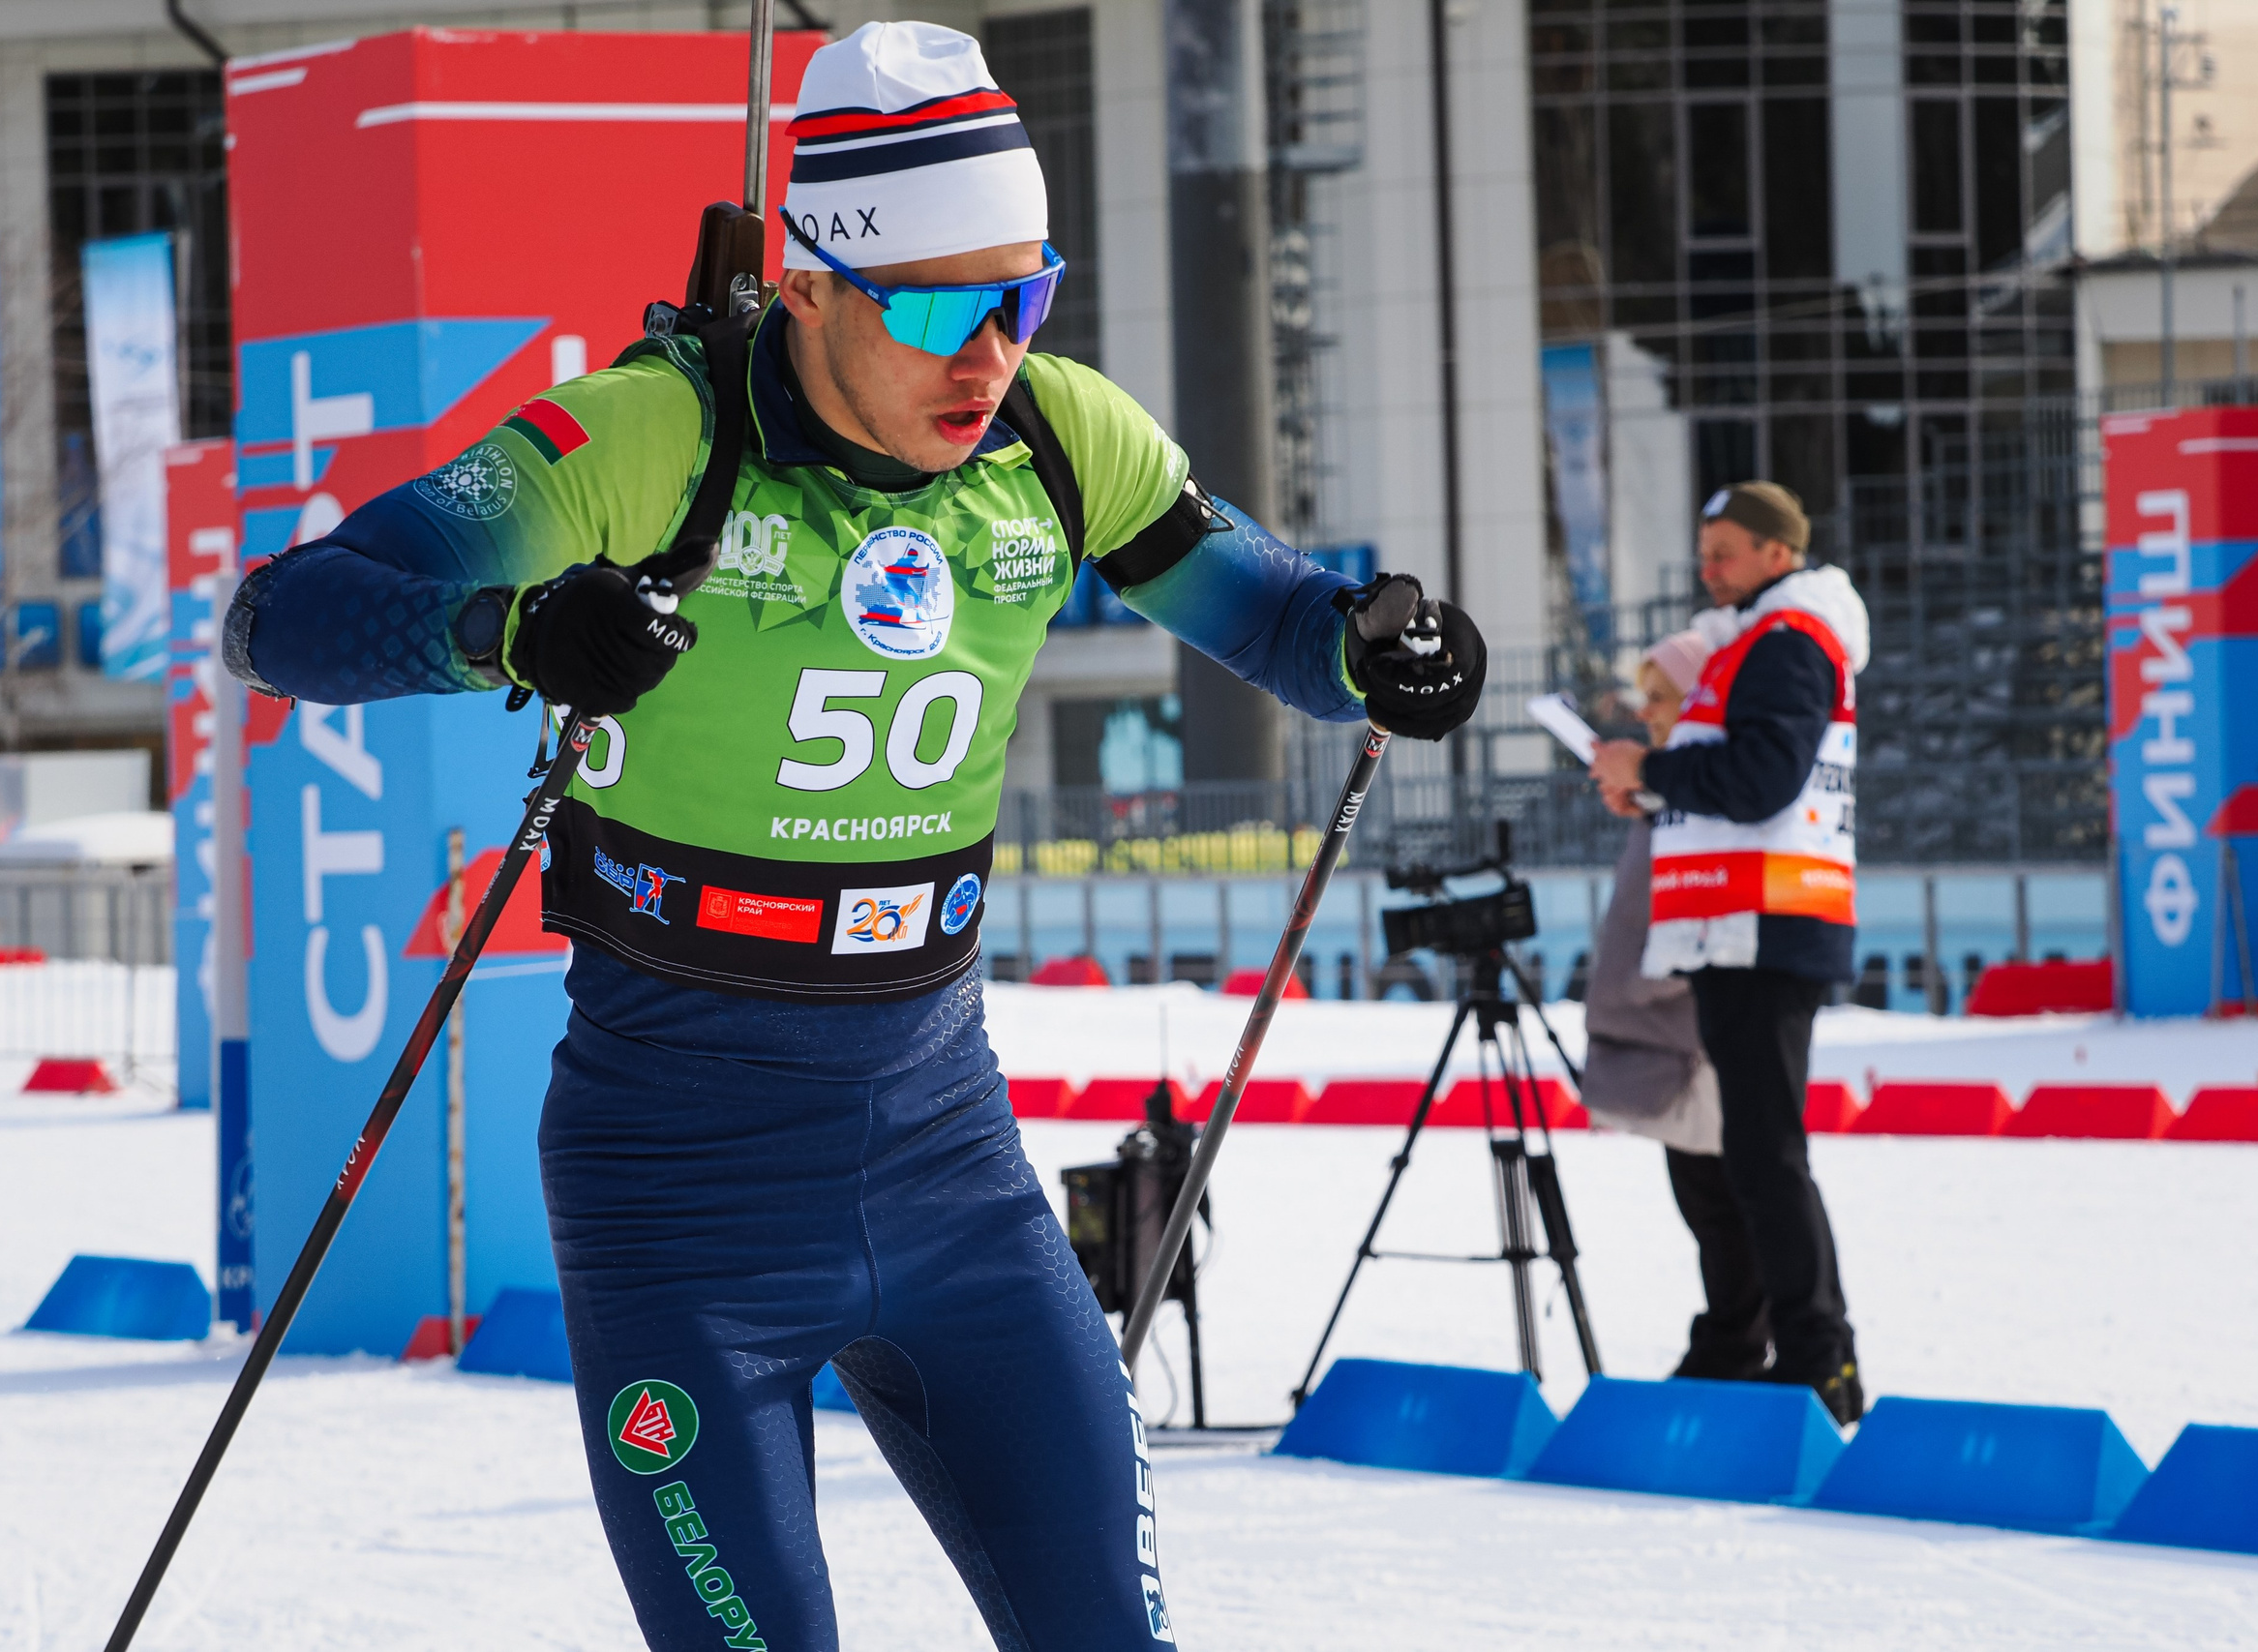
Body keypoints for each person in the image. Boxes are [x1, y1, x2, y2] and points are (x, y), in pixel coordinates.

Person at [224, 21, 1483, 1650]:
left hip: (948, 1164)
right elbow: (287, 617)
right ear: (811, 282)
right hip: (682, 1196)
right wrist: (512, 632)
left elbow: (1283, 618)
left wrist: (1381, 646)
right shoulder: (648, 439)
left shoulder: (1060, 435)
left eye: (1028, 296)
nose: (993, 357)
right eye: (951, 304)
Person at [1585, 481, 1868, 1425]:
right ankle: (1792, 1347)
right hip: (1741, 925)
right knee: (1750, 1155)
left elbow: (1759, 780)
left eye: (1726, 553)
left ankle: (1818, 1357)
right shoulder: (1761, 639)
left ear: (1777, 554)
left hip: (1766, 928)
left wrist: (1652, 769)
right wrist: (1656, 792)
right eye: (1704, 552)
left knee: (1763, 1155)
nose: (1708, 571)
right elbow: (1743, 782)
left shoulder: (1787, 641)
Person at [1578, 630, 1776, 1381]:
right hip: (1671, 1026)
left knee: (1726, 1200)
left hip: (1701, 1026)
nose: (1649, 713)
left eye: (1662, 697)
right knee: (1705, 1199)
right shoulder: (1673, 791)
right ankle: (1731, 1334)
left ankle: (1736, 1340)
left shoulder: (1709, 790)